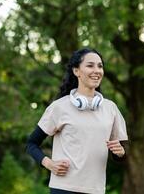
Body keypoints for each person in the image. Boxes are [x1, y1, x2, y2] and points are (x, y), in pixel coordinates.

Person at [26, 48, 128, 194]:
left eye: (100, 66)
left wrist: (120, 152)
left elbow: (121, 155)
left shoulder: (110, 108)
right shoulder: (59, 107)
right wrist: (49, 164)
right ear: (76, 71)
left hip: (96, 189)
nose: (97, 70)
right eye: (90, 65)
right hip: (64, 189)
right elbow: (31, 144)